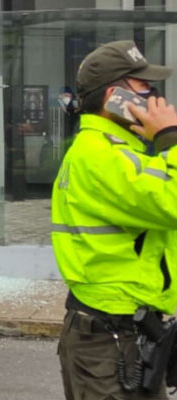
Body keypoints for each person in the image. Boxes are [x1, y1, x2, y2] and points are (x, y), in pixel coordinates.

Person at [52, 40, 177, 399]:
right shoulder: (100, 156)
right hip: (110, 340)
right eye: (145, 88)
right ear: (114, 97)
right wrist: (170, 137)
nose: (156, 98)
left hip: (128, 333)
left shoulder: (125, 152)